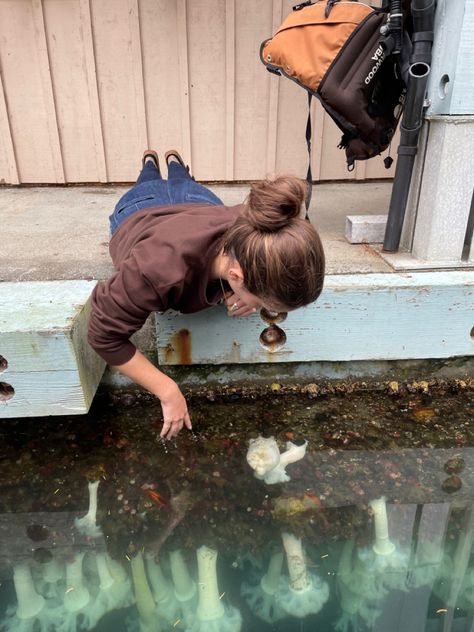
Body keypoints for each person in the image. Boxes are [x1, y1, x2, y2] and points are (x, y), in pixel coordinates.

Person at [88, 150, 325, 439]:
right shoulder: (156, 271)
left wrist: (240, 293)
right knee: (147, 180)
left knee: (180, 179)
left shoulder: (259, 226)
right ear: (237, 276)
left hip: (197, 201)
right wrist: (167, 390)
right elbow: (102, 335)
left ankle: (175, 165)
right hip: (140, 209)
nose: (262, 310)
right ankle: (149, 164)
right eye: (263, 304)